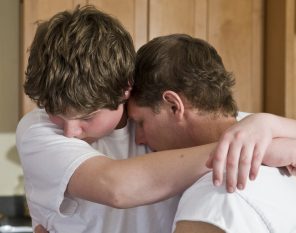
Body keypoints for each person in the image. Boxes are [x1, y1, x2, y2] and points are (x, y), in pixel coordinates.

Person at [16, 6, 226, 233]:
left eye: (87, 117)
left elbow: (228, 123)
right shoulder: (36, 129)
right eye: (54, 111)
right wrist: (231, 150)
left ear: (125, 88)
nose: (70, 132)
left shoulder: (156, 119)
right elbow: (116, 187)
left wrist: (263, 126)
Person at [128, 33, 296, 233]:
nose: (138, 138)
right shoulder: (278, 163)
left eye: (140, 122)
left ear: (174, 106)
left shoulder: (215, 197)